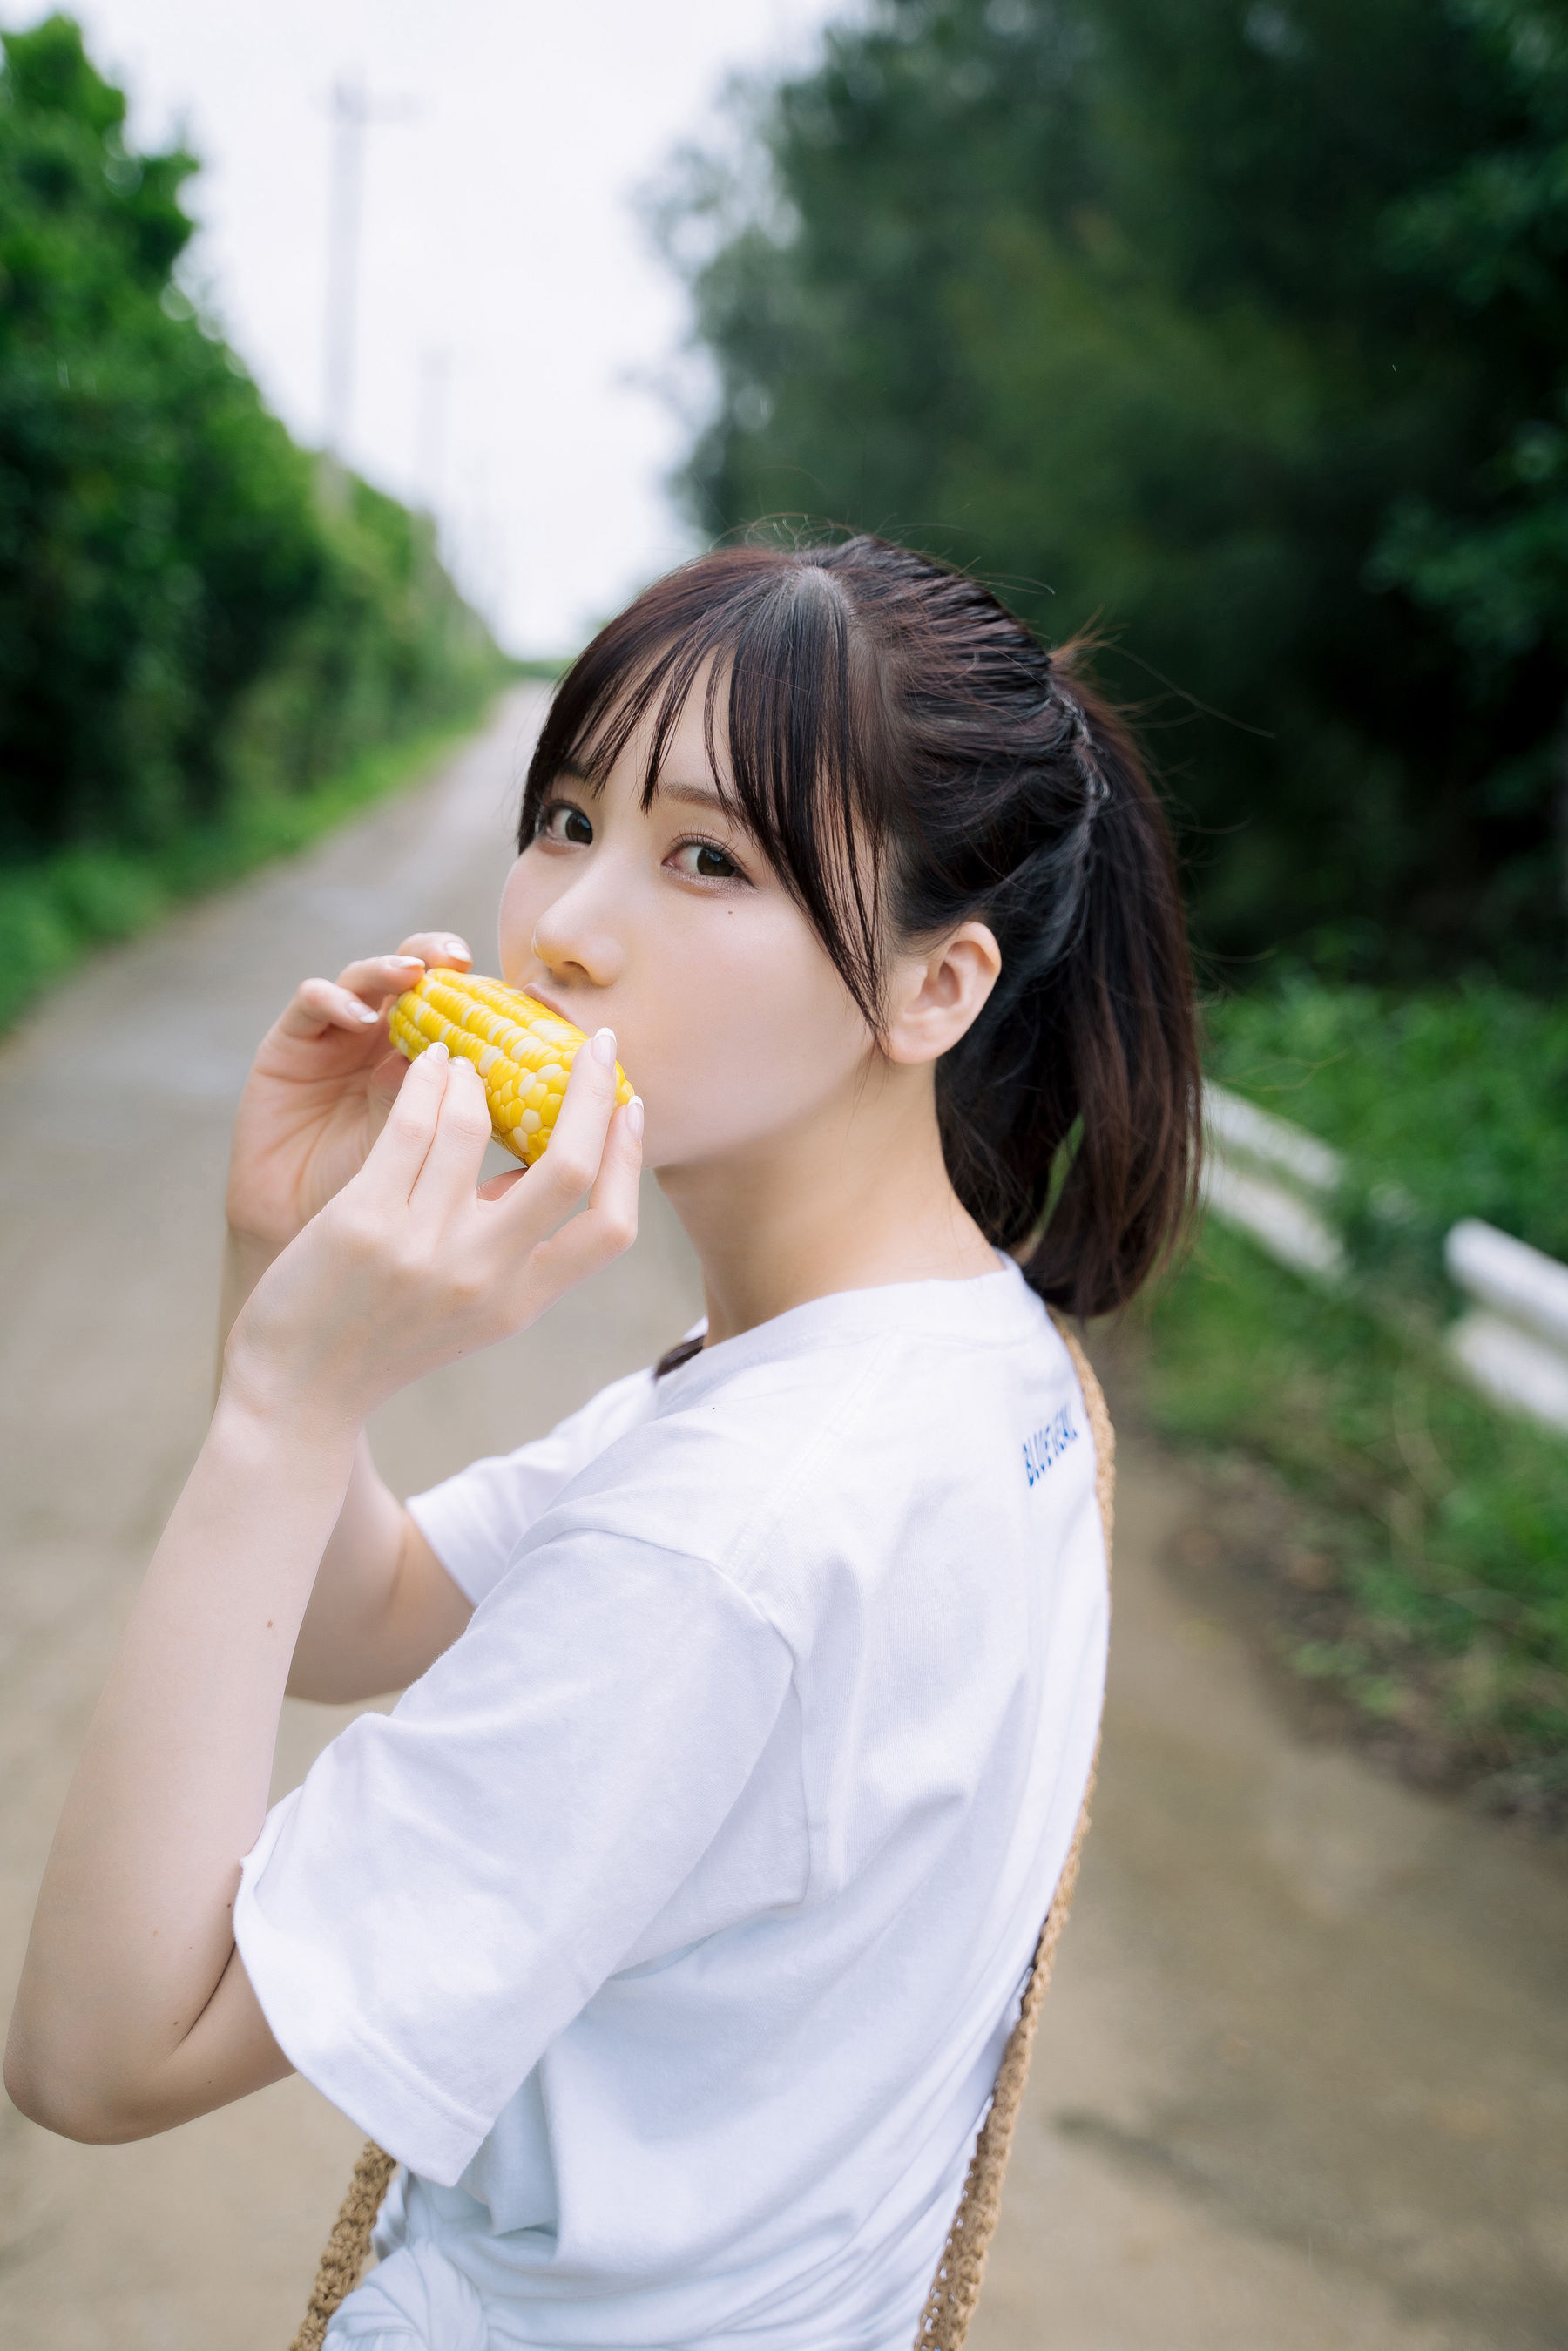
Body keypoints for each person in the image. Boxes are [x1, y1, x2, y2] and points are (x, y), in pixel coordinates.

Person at [6, 536, 1199, 2349]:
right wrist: (283, 1268)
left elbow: (101, 2051)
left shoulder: (732, 1528)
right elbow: (361, 1613)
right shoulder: (961, 1360)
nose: (565, 922)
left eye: (709, 859)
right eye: (566, 819)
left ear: (935, 989)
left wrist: (283, 1414)